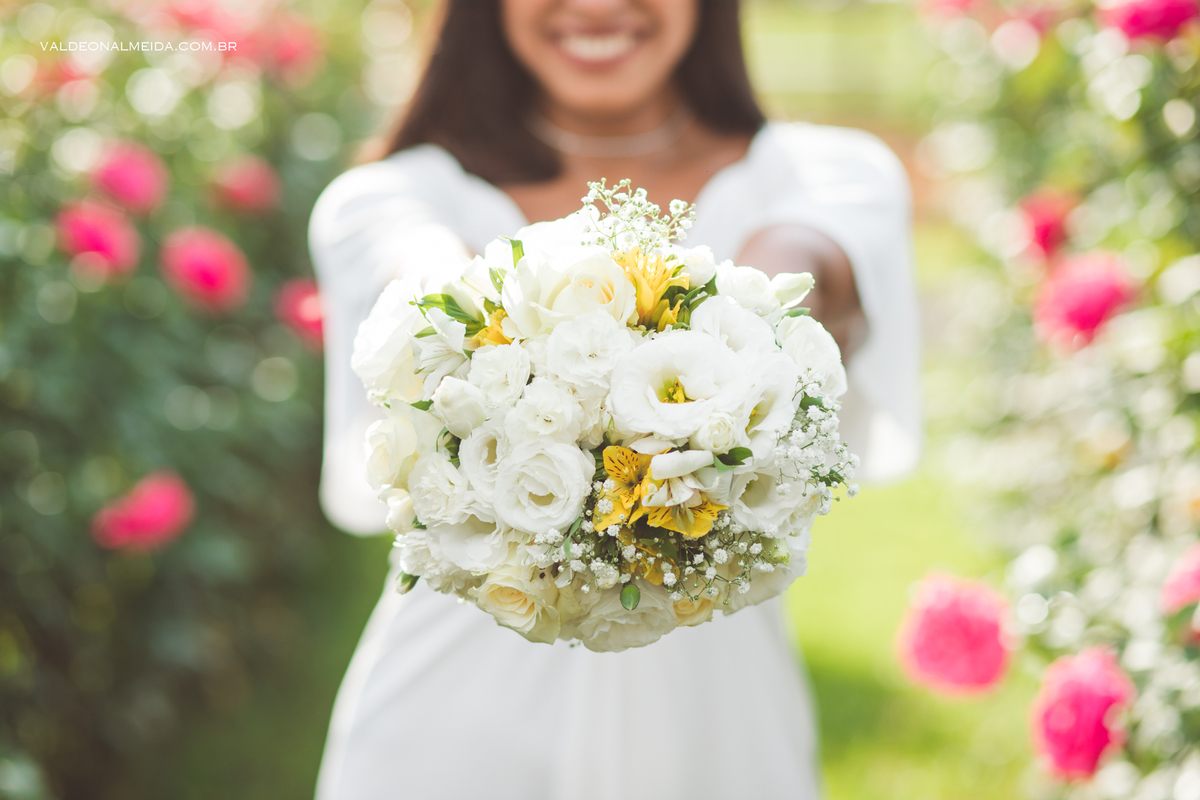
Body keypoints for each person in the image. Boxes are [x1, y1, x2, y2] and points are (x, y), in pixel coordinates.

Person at [309, 1, 920, 797]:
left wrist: (738, 335)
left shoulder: (830, 175)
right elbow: (421, 280)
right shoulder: (388, 199)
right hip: (452, 717)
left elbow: (801, 268)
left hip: (720, 717)